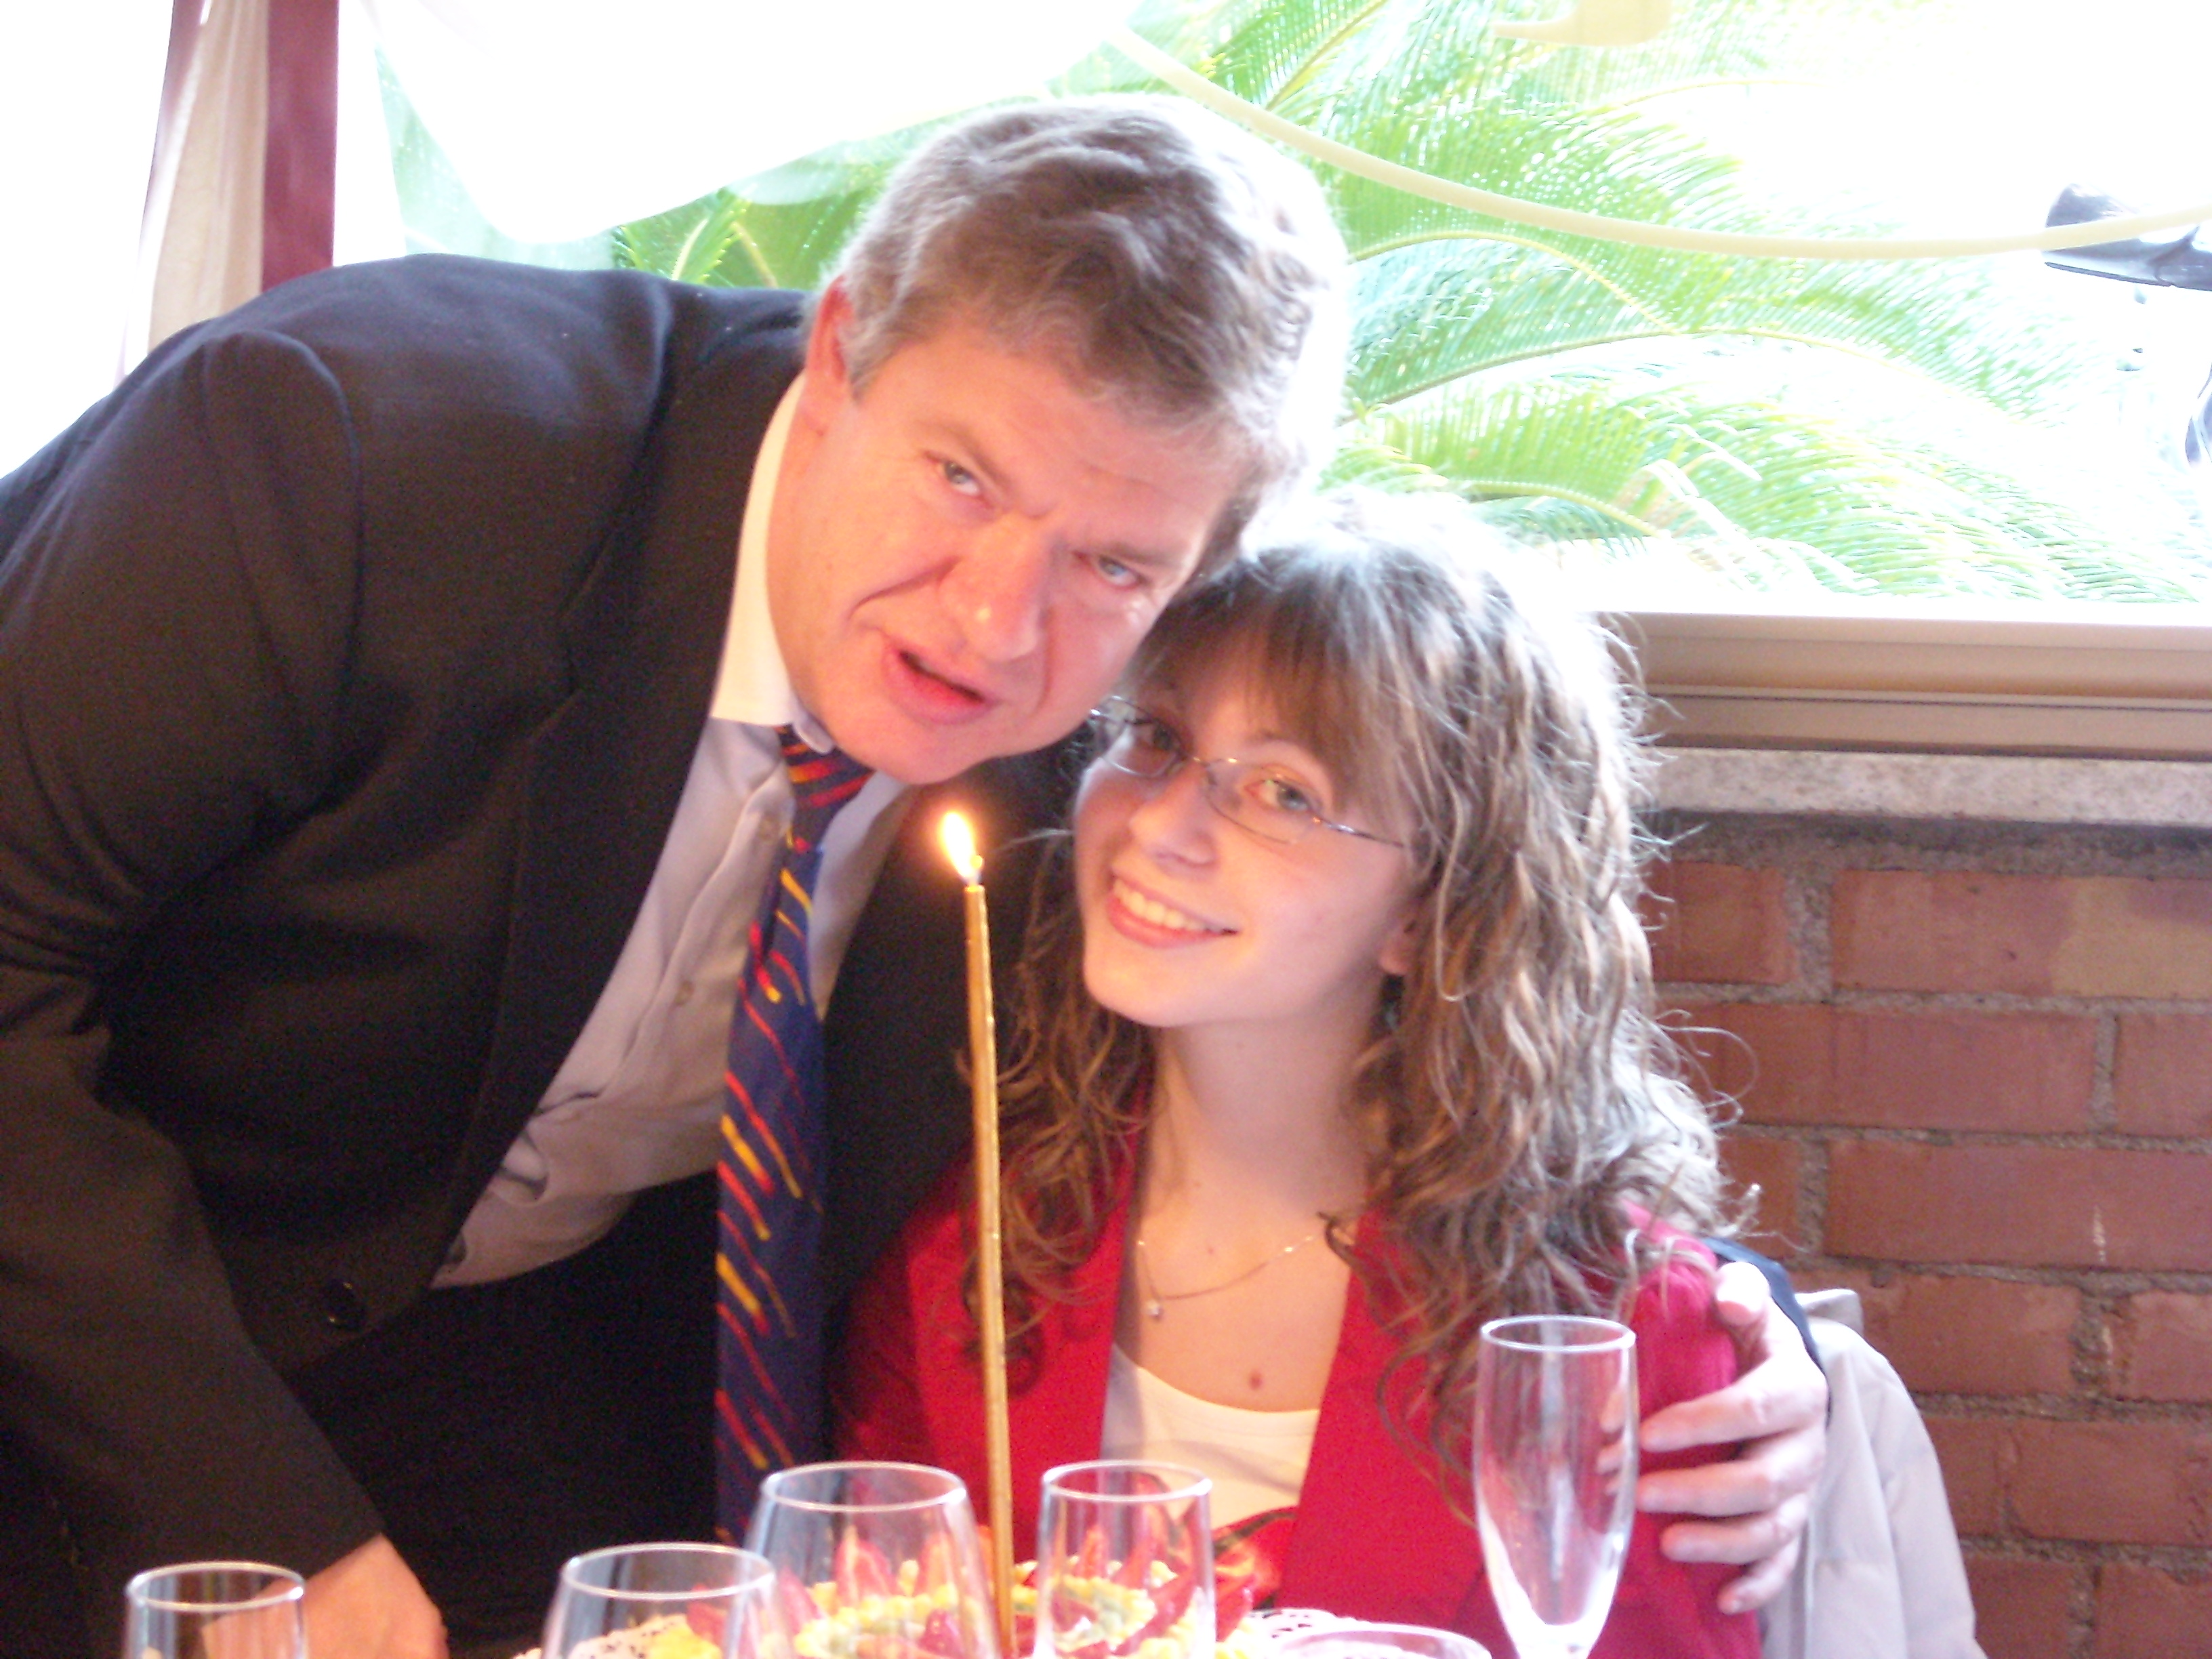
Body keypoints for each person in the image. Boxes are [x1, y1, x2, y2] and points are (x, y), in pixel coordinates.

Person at [0, 97, 1818, 1659]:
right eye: (961, 476)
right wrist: (265, 1524)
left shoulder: (1105, 751)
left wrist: (1727, 1329)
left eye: (1114, 565)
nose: (997, 624)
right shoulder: (347, 455)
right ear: (839, 350)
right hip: (73, 1303)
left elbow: (1391, 953)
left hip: (521, 1375)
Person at [836, 492, 1765, 1654]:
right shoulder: (967, 1246)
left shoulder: (1620, 1334)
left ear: (1433, 909)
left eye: (1285, 792)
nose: (1159, 827)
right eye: (1158, 737)